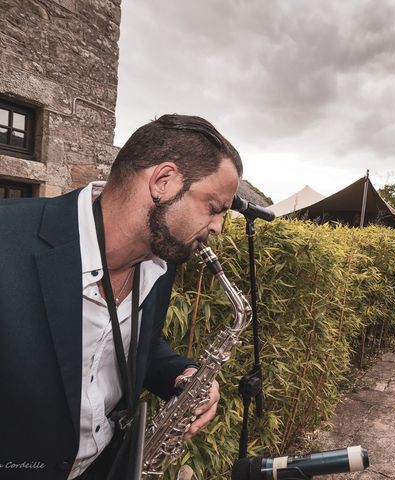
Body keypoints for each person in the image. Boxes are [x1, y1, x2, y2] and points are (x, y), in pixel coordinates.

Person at [0, 114, 240, 479]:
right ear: (163, 181)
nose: (218, 227)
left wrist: (182, 374)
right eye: (214, 208)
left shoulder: (161, 262)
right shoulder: (6, 238)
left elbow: (134, 343)